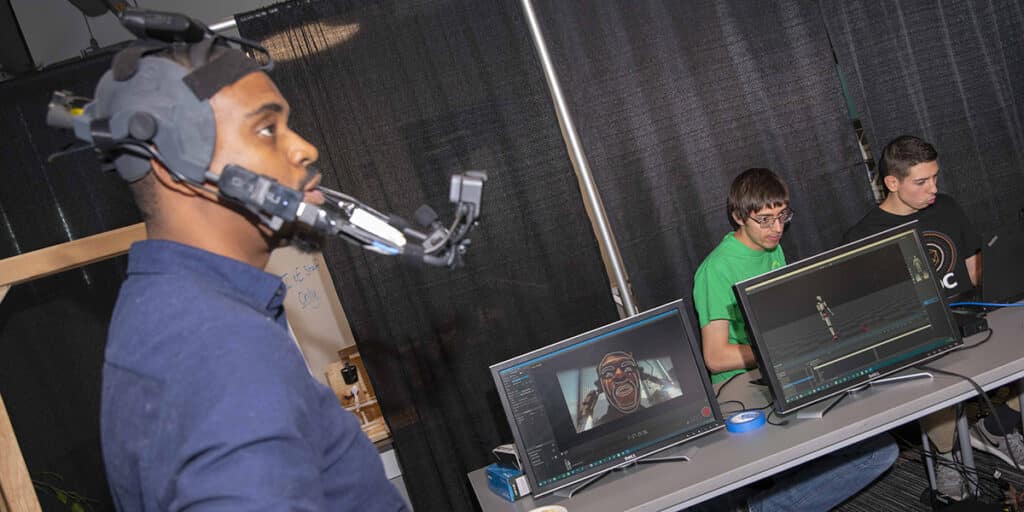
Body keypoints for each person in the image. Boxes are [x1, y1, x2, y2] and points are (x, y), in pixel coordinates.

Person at [93, 32, 408, 510]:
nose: (304, 148)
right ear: (176, 164)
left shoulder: (168, 312)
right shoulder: (220, 348)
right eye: (267, 129)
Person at [692, 168, 898, 511]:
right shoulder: (716, 269)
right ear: (738, 217)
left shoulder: (772, 248)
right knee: (873, 453)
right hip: (739, 385)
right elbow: (715, 356)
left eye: (782, 216)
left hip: (780, 366)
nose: (776, 229)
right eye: (765, 219)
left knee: (877, 447)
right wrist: (775, 352)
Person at [845, 135, 1022, 501]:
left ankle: (998, 425)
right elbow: (871, 314)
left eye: (936, 178)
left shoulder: (947, 207)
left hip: (971, 314)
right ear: (892, 183)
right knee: (935, 378)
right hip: (918, 336)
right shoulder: (863, 236)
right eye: (922, 182)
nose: (933, 189)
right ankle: (947, 455)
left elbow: (974, 271)